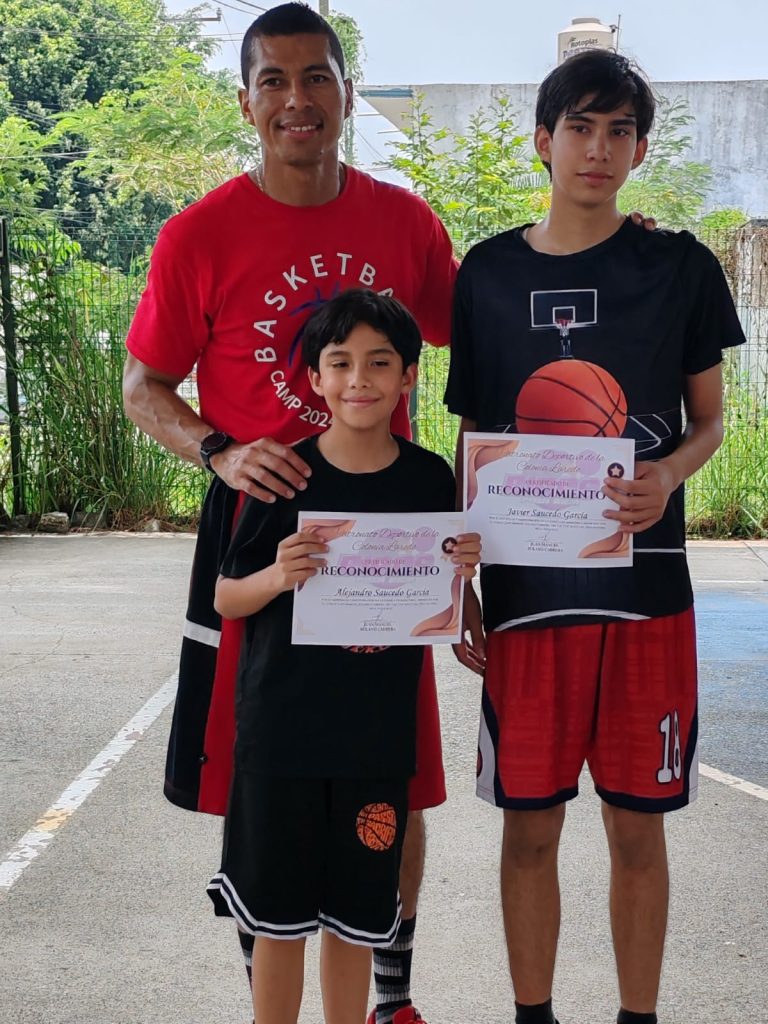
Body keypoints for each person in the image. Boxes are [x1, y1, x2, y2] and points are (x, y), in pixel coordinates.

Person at [122, 6, 461, 1021]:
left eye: (317, 77)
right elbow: (146, 389)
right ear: (248, 100)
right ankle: (268, 990)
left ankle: (386, 1000)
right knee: (256, 777)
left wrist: (606, 238)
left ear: (346, 93)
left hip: (386, 545)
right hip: (265, 537)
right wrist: (220, 451)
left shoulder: (405, 222)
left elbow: (483, 327)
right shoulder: (199, 233)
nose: (297, 99)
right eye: (274, 81)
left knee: (395, 781)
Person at [445, 49, 746, 1024]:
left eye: (620, 131)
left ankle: (638, 1016)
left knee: (636, 832)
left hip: (647, 598)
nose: (599, 148)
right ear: (544, 139)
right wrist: (463, 588)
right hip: (531, 603)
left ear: (641, 149)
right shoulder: (486, 273)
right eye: (580, 126)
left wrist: (668, 473)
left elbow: (709, 421)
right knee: (529, 831)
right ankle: (533, 1014)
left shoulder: (680, 267)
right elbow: (472, 438)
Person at [206, 288, 481, 1024]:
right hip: (281, 738)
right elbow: (228, 598)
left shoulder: (428, 479)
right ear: (315, 381)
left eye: (379, 363)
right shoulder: (282, 474)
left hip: (373, 741)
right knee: (276, 920)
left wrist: (462, 577)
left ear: (408, 377)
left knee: (357, 918)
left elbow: (440, 595)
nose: (360, 379)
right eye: (341, 363)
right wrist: (279, 573)